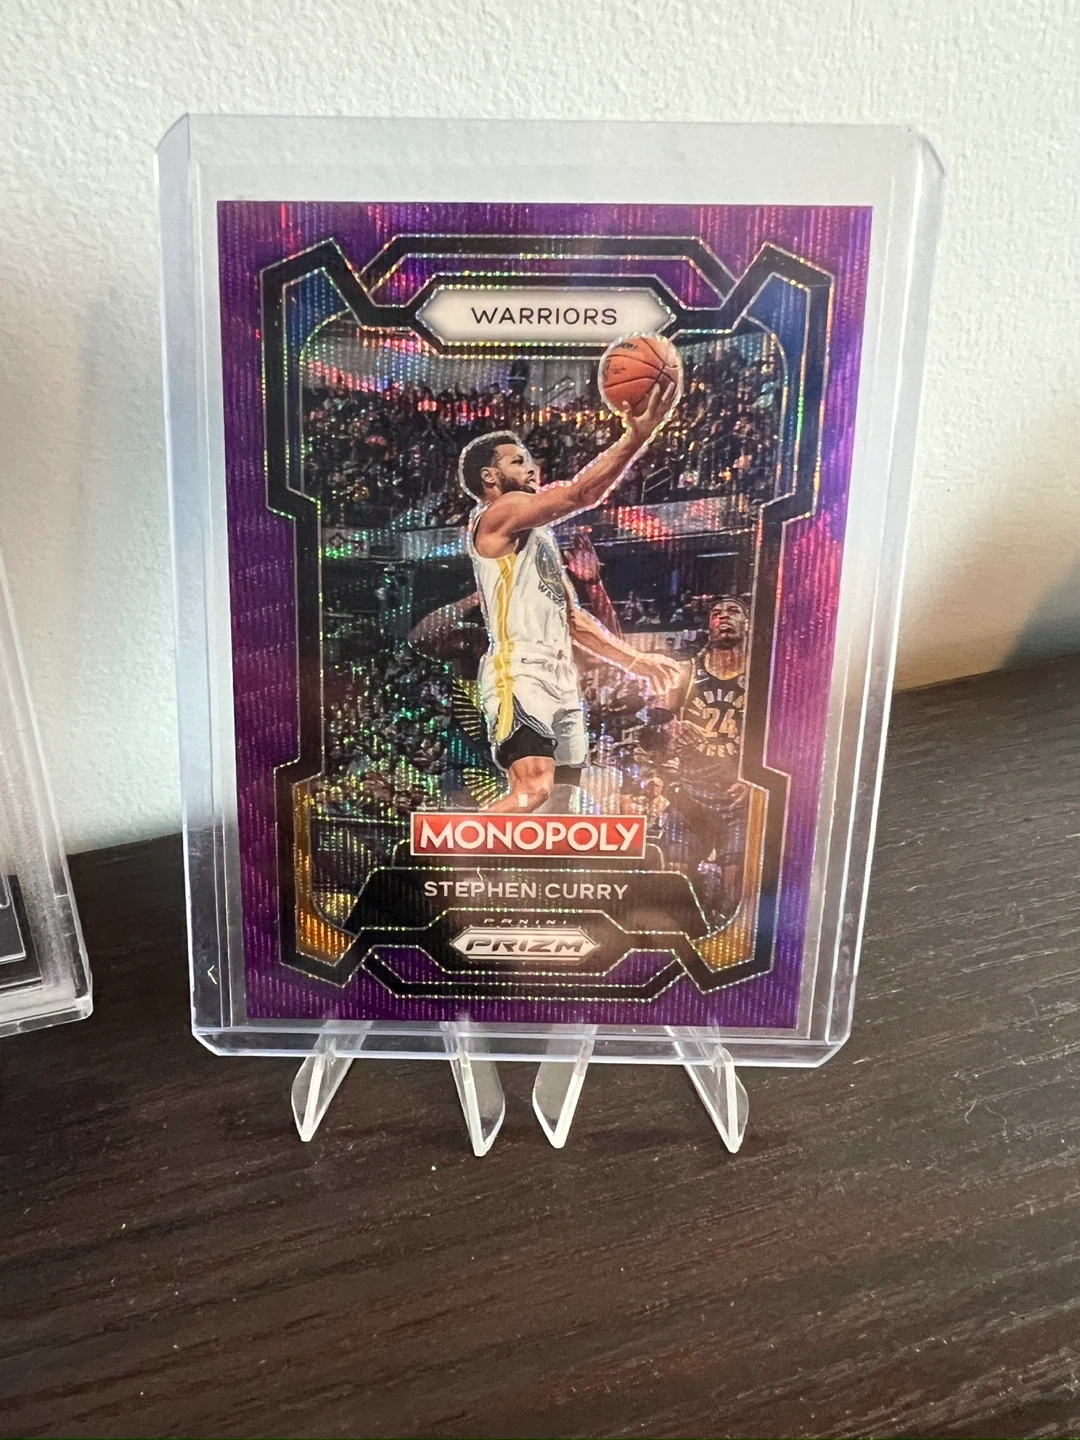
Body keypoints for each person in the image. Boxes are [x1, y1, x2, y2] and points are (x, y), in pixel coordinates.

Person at [459, 384, 683, 814]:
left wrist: (635, 661)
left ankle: (504, 858)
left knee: (560, 804)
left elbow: (574, 620)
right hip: (519, 669)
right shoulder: (497, 513)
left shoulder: (538, 537)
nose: (531, 467)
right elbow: (581, 493)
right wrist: (637, 436)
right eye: (517, 461)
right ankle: (451, 849)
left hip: (560, 675)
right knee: (532, 792)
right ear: (490, 477)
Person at [663, 597, 750, 918]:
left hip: (736, 798)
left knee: (734, 895)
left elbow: (782, 731)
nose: (724, 617)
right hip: (691, 795)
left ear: (747, 624)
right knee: (676, 884)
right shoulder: (687, 672)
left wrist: (754, 780)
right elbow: (656, 722)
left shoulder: (761, 675)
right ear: (708, 625)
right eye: (716, 613)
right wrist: (671, 728)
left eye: (733, 611)